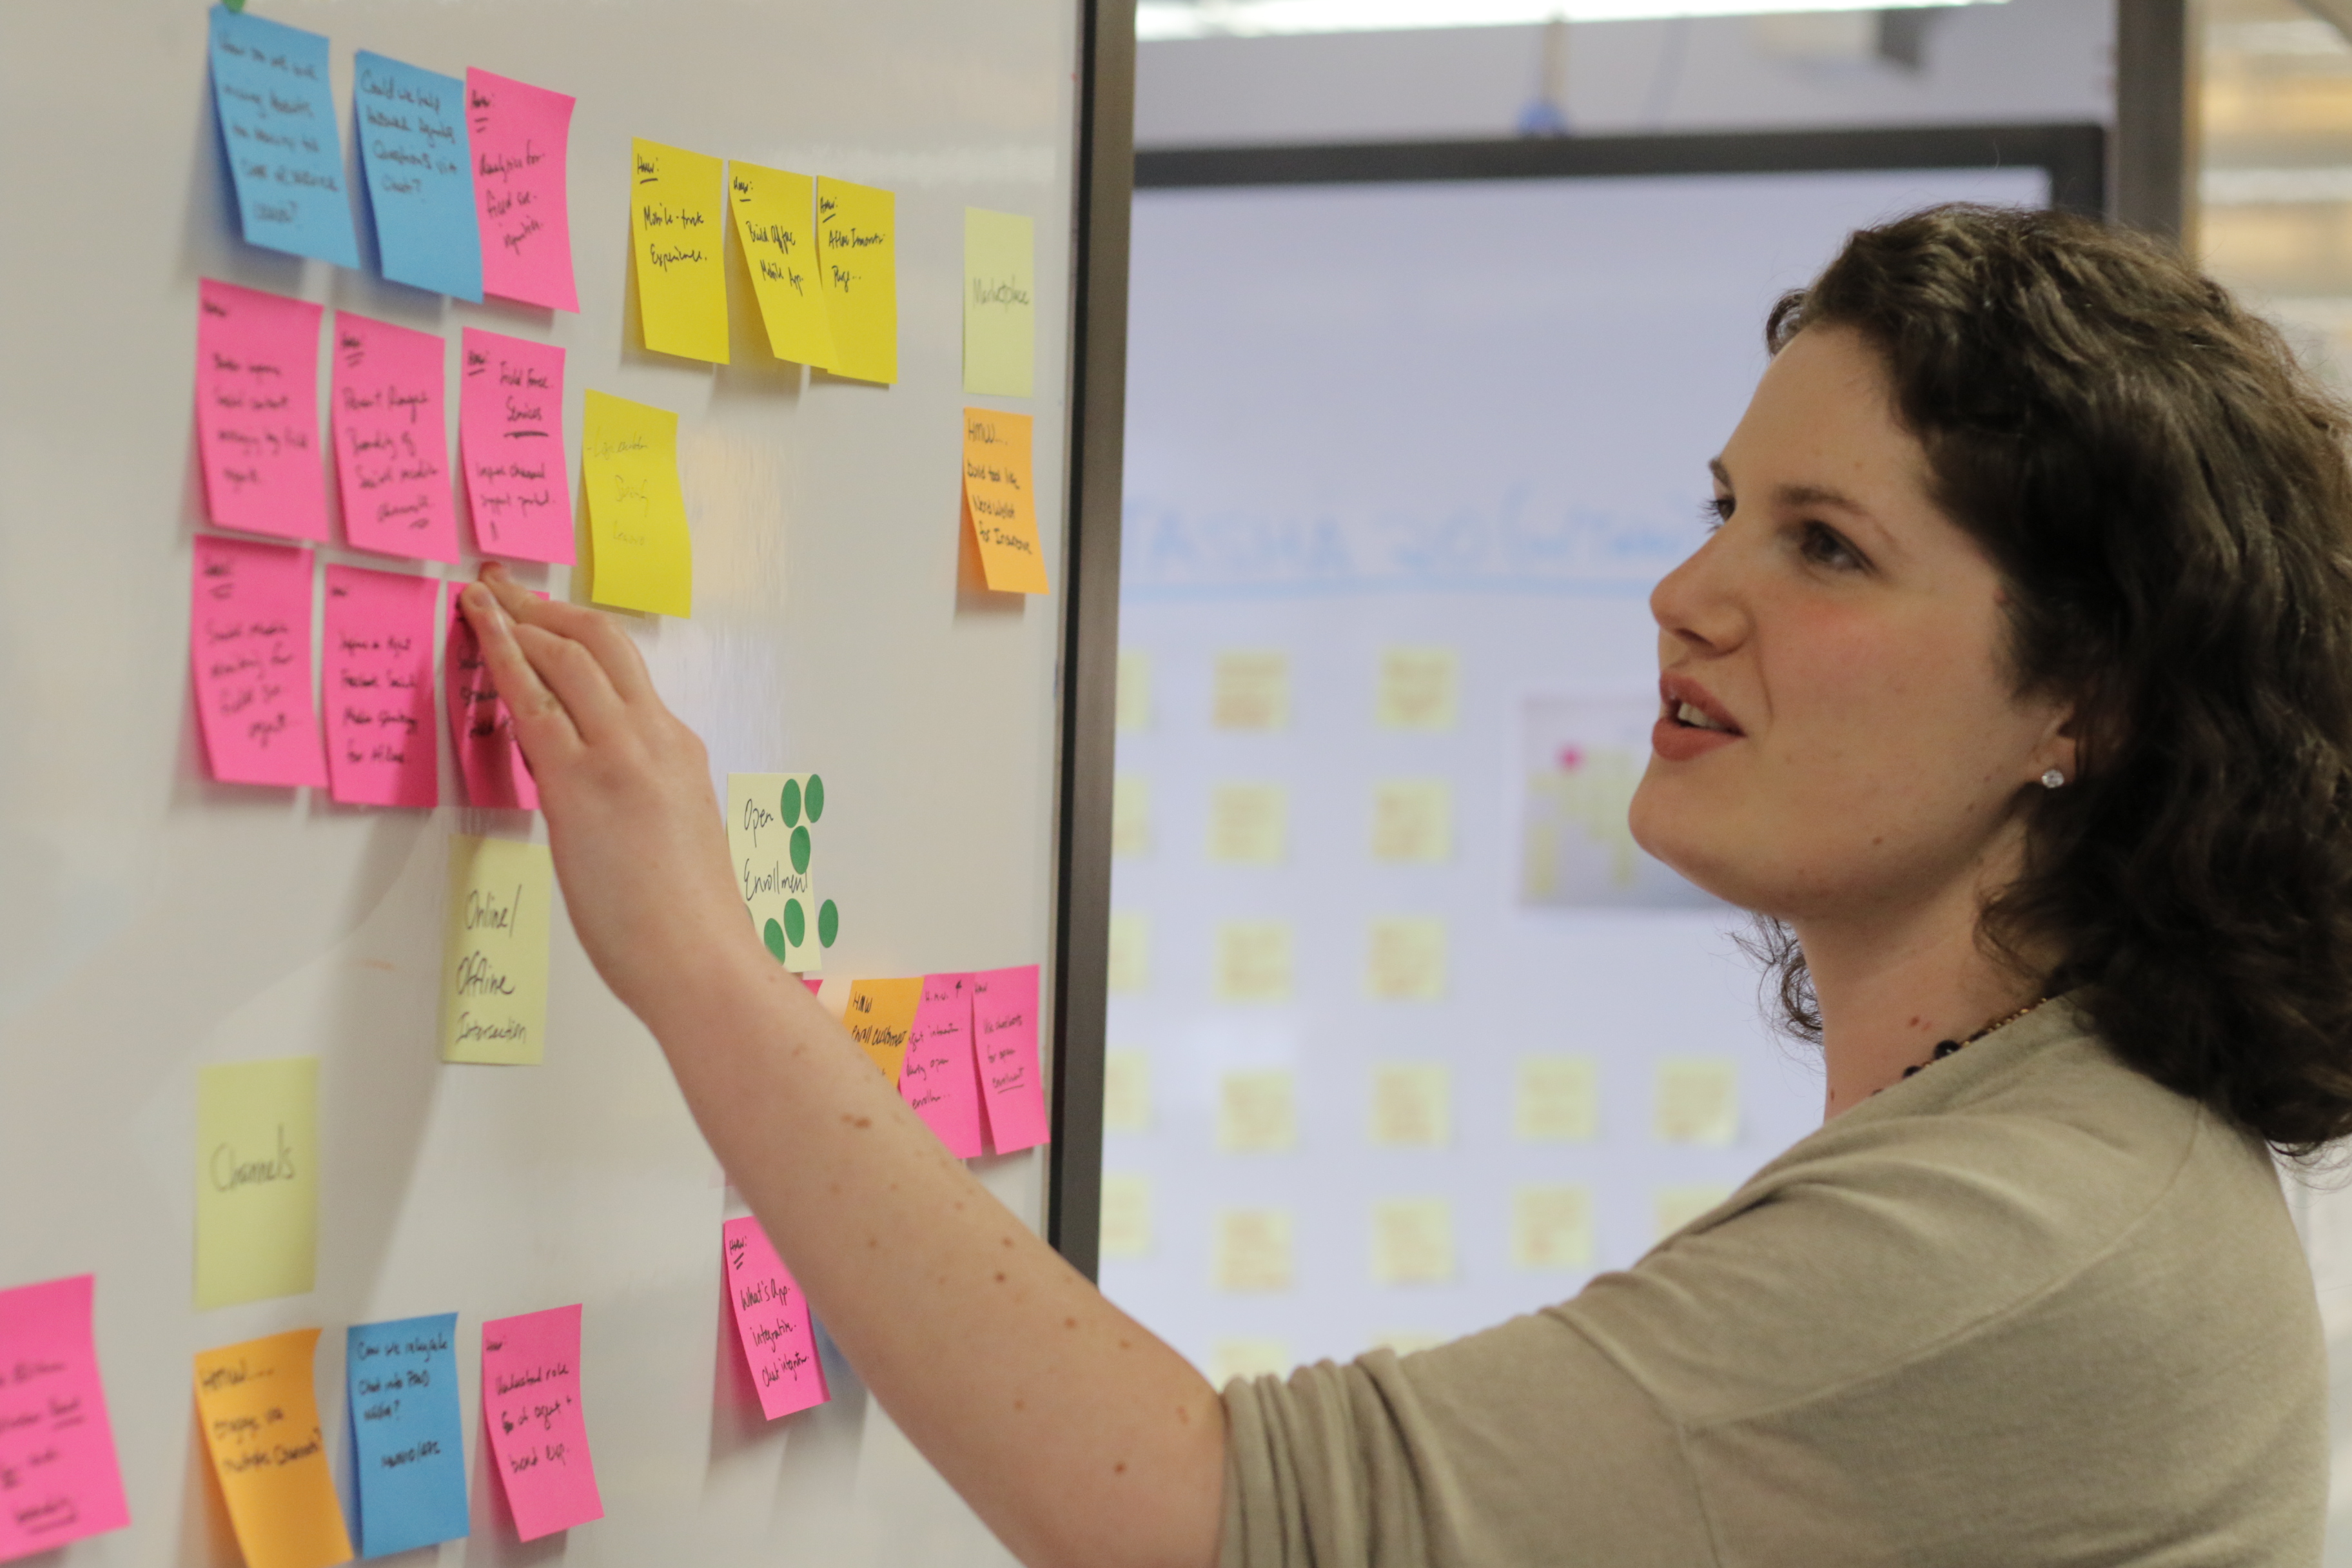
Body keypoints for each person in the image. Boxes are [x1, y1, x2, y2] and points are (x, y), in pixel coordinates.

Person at [455, 203, 2352, 1567]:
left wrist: (700, 959)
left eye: (1828, 548)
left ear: (2081, 704)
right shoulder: (2058, 1150)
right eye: (1725, 510)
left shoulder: (2029, 1235)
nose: (1689, 596)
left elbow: (1215, 1526)